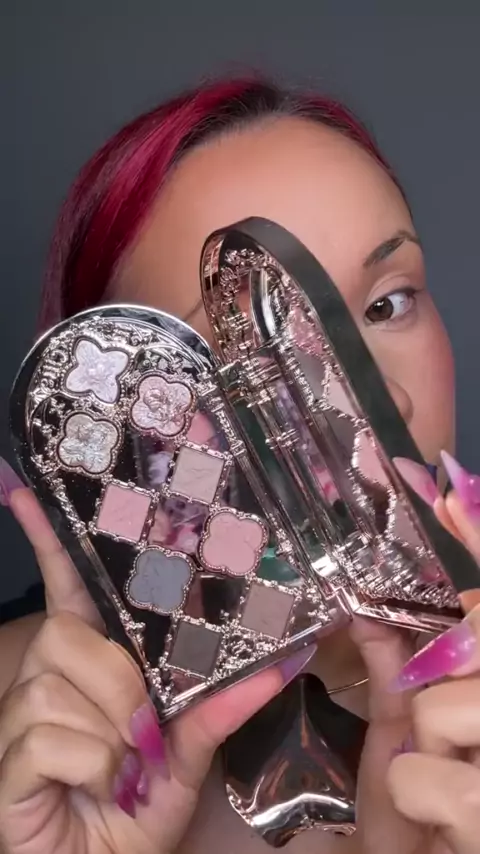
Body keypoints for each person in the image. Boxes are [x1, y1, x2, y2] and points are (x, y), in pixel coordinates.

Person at [0, 76, 480, 854]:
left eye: (386, 305)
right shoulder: (23, 734)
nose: (378, 396)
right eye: (251, 347)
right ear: (123, 433)